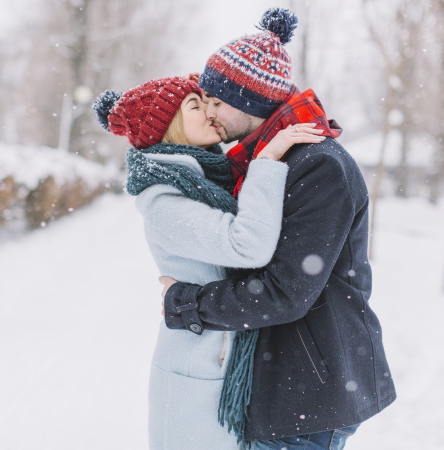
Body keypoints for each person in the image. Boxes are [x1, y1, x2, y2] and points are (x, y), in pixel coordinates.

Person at [158, 8, 396, 450]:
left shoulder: (318, 165)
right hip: (287, 387)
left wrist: (187, 302)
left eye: (216, 101)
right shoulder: (265, 162)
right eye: (204, 100)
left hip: (308, 391)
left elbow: (286, 293)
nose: (209, 113)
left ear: (250, 102)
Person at [93, 76, 324, 450]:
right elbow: (248, 245)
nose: (210, 112)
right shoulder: (163, 200)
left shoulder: (209, 180)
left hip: (224, 360)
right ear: (170, 128)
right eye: (195, 107)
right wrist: (266, 161)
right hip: (197, 371)